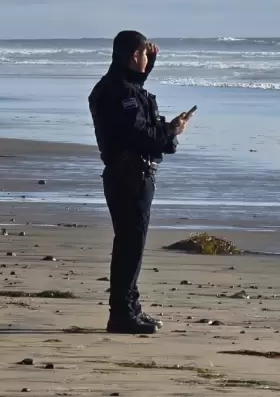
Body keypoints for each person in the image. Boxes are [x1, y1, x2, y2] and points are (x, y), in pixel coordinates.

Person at [88, 30, 191, 334]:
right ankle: (121, 313)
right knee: (130, 245)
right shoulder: (119, 92)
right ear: (134, 56)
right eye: (144, 55)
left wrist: (150, 63)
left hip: (129, 173)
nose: (147, 59)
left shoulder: (117, 87)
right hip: (130, 175)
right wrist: (171, 131)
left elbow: (132, 93)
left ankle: (130, 308)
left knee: (131, 244)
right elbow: (141, 134)